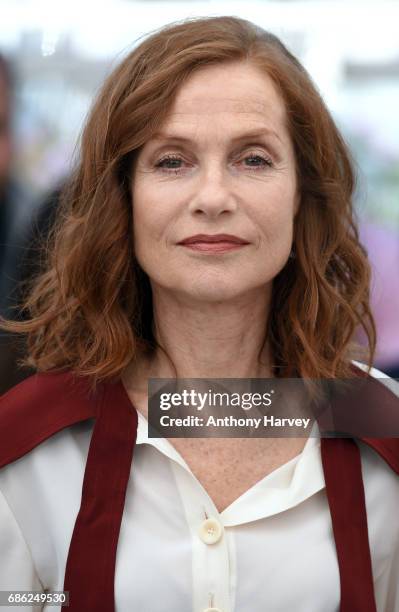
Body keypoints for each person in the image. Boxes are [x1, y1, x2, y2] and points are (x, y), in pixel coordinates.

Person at [0, 16, 398, 612]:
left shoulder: (387, 437)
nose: (213, 197)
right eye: (171, 161)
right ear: (123, 196)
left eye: (254, 159)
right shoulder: (25, 449)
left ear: (301, 194)